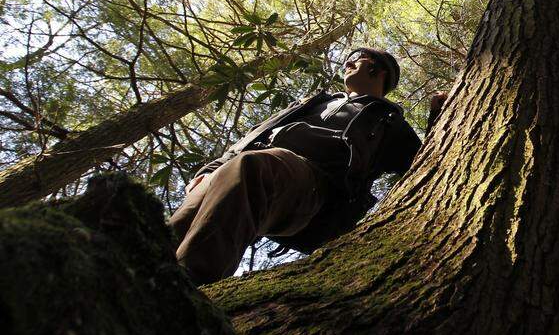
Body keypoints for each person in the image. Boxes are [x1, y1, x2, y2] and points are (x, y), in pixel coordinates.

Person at [169, 47, 444, 285]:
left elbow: (422, 164)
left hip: (313, 184)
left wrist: (439, 117)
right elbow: (254, 135)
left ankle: (189, 285)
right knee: (181, 221)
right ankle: (142, 277)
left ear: (378, 70)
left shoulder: (387, 120)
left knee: (254, 166)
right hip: (244, 166)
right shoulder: (315, 100)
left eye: (356, 58)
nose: (347, 63)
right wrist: (210, 169)